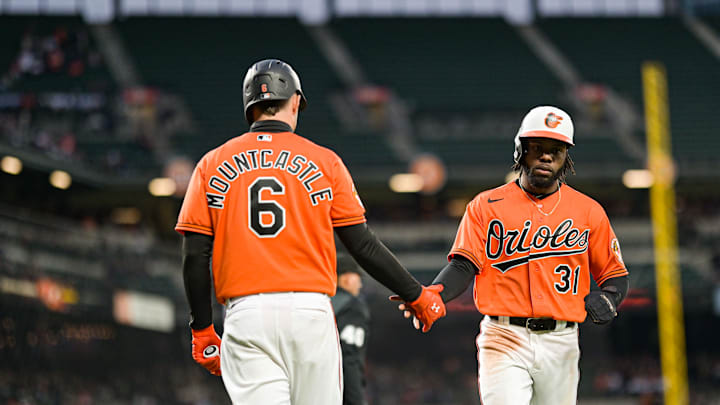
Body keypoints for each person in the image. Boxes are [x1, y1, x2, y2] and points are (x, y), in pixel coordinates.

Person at [175, 59, 445, 405]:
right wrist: (417, 295)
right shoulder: (325, 161)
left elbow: (194, 254)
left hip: (247, 315)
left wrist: (201, 328)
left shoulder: (211, 163)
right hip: (310, 312)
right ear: (295, 102)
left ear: (250, 106)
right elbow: (362, 244)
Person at [397, 106, 629, 405]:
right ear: (521, 150)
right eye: (538, 148)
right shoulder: (486, 205)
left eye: (556, 151)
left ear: (565, 159)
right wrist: (437, 293)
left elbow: (614, 275)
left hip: (562, 341)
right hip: (503, 335)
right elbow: (464, 264)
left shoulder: (588, 211)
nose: (546, 156)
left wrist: (611, 297)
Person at [332, 254, 371, 405]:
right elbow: (349, 358)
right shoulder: (352, 307)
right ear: (346, 278)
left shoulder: (320, 302)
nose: (360, 284)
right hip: (338, 392)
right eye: (357, 278)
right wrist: (357, 400)